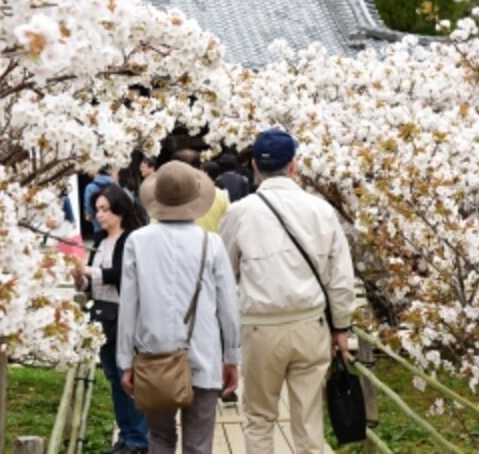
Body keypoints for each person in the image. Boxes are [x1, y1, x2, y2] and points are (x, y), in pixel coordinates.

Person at [218, 128, 356, 454]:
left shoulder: (240, 213)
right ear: (294, 165)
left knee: (259, 418)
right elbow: (340, 278)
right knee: (308, 421)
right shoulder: (321, 210)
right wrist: (341, 327)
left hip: (260, 326)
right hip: (311, 325)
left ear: (253, 165)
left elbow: (224, 277)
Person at [117, 161, 241, 454]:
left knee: (159, 439)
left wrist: (125, 361)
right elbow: (228, 307)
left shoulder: (137, 241)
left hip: (153, 357)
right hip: (204, 355)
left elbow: (128, 307)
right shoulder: (211, 244)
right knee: (199, 445)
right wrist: (232, 356)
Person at [72, 184, 148, 454]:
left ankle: (139, 438)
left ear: (120, 209)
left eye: (105, 209)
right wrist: (79, 277)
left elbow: (123, 276)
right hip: (103, 315)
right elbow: (91, 286)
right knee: (115, 379)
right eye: (97, 210)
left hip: (125, 315)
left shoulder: (130, 239)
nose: (100, 215)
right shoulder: (101, 242)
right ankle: (126, 435)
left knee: (129, 378)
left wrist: (91, 271)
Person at [172, 148, 229, 232]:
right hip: (210, 244)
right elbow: (227, 228)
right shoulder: (221, 196)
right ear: (200, 168)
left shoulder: (163, 198)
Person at [84, 168, 115, 265]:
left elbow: (89, 208)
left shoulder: (90, 187)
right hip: (114, 223)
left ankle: (91, 270)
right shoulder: (115, 184)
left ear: (96, 170)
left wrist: (89, 216)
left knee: (97, 247)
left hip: (99, 224)